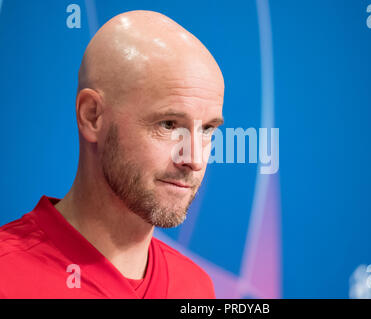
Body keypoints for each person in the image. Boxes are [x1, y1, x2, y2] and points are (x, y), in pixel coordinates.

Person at [0, 10, 225, 299]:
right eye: (169, 124)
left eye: (207, 129)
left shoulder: (196, 287)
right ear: (92, 116)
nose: (194, 159)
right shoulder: (7, 278)